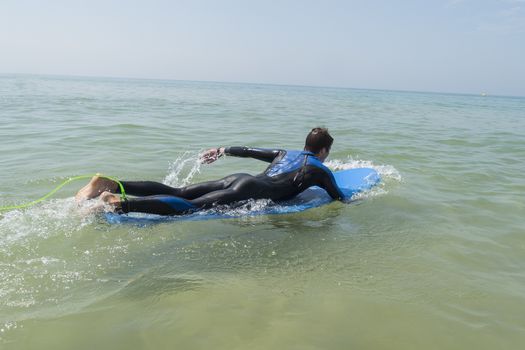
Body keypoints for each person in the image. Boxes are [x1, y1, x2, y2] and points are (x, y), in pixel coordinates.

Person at [76, 127, 346, 215]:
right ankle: (122, 205)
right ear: (323, 151)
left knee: (178, 191)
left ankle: (111, 184)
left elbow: (249, 151)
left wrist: (221, 150)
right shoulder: (320, 171)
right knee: (189, 207)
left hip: (241, 178)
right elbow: (338, 197)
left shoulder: (286, 153)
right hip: (253, 190)